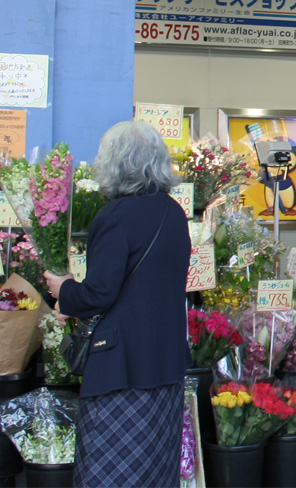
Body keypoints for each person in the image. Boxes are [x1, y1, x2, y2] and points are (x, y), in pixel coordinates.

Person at [44, 121, 190, 487]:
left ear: (113, 163)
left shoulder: (114, 217)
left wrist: (63, 289)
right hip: (166, 362)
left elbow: (98, 294)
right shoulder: (173, 213)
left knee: (110, 470)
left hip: (122, 369)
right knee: (157, 467)